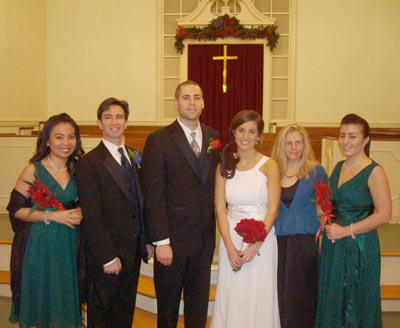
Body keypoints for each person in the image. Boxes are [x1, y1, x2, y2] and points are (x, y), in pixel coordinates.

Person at [141, 80, 219, 328]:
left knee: (198, 308)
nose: (192, 102)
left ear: (204, 103)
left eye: (197, 97)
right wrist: (161, 241)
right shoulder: (159, 140)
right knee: (168, 309)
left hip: (203, 241)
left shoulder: (213, 137)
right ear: (176, 103)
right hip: (171, 242)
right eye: (186, 97)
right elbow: (153, 194)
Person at [76, 97, 152, 328]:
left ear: (126, 122)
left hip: (132, 251)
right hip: (107, 255)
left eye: (119, 116)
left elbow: (141, 202)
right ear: (99, 123)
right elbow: (91, 214)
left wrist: (146, 240)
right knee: (103, 313)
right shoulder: (89, 162)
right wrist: (107, 256)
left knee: (124, 311)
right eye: (108, 117)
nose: (114, 121)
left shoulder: (134, 157)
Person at [7, 113, 84, 327]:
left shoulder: (79, 168)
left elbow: (89, 202)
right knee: (43, 301)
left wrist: (81, 210)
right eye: (59, 137)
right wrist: (51, 215)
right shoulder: (33, 170)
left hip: (69, 243)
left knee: (65, 298)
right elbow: (15, 209)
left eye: (71, 137)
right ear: (47, 140)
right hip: (40, 244)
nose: (66, 143)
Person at [315, 113, 392, 327]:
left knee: (356, 301)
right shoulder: (340, 166)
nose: (345, 142)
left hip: (359, 245)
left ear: (365, 140)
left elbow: (384, 215)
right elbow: (330, 205)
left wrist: (345, 231)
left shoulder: (374, 171)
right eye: (342, 135)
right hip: (335, 245)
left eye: (352, 136)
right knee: (334, 298)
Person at [211, 110, 281, 328]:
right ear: (233, 132)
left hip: (262, 237)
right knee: (233, 291)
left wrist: (256, 243)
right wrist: (229, 246)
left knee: (259, 291)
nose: (245, 136)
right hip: (230, 235)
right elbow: (220, 208)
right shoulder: (224, 165)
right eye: (241, 130)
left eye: (252, 131)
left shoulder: (270, 165)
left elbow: (273, 208)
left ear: (259, 136)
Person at [270, 124, 327, 328]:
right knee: (279, 296)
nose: (293, 147)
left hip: (304, 244)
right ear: (281, 146)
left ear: (305, 145)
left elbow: (324, 207)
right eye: (289, 143)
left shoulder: (316, 171)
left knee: (302, 298)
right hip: (276, 242)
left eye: (298, 142)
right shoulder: (272, 171)